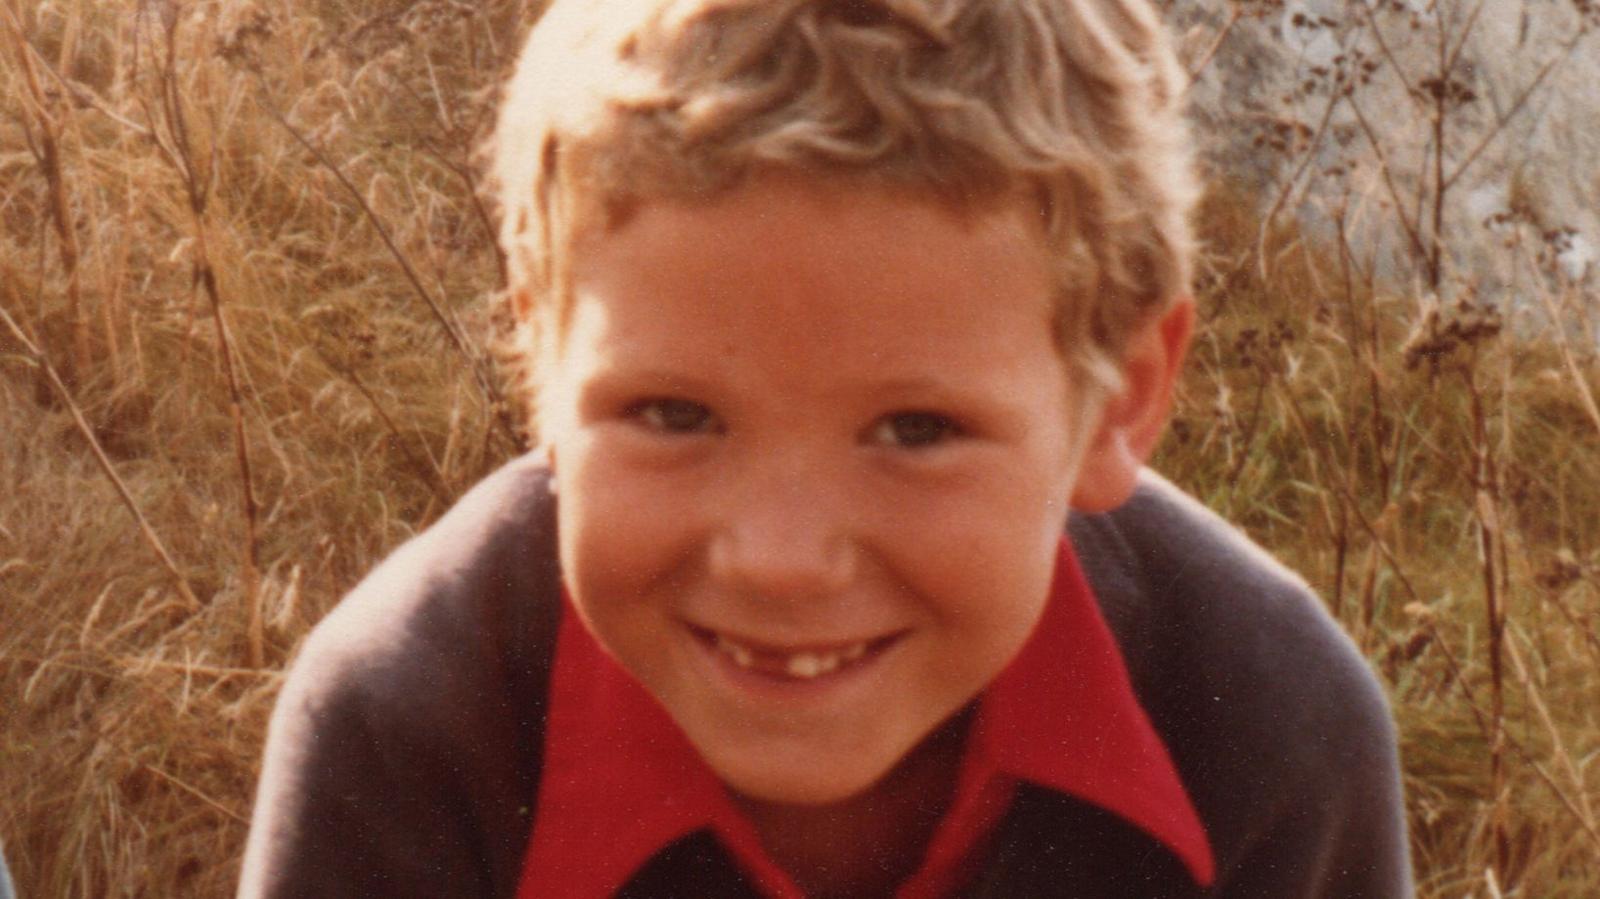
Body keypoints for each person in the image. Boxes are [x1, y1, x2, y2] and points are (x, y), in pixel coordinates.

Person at [239, 0, 1412, 896]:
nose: (779, 559)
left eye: (916, 430)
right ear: (536, 348)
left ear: (1120, 399)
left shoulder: (1267, 730)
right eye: (675, 414)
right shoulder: (412, 731)